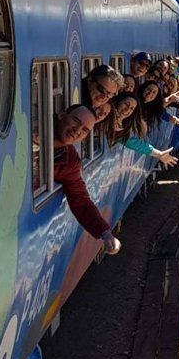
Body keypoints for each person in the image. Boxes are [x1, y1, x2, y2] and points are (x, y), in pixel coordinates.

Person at [52, 105, 121, 254]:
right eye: (75, 121)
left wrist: (105, 233)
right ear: (62, 114)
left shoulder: (70, 161)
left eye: (84, 130)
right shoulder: (33, 125)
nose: (77, 131)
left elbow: (81, 201)